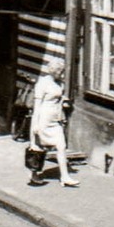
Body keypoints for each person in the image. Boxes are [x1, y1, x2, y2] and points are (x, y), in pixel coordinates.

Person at [30, 59, 78, 187]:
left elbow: (58, 97)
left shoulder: (59, 83)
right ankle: (34, 175)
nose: (62, 75)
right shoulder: (42, 83)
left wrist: (63, 100)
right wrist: (35, 124)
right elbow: (37, 106)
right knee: (38, 148)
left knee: (61, 146)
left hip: (55, 119)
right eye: (60, 72)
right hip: (43, 119)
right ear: (53, 71)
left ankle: (65, 177)